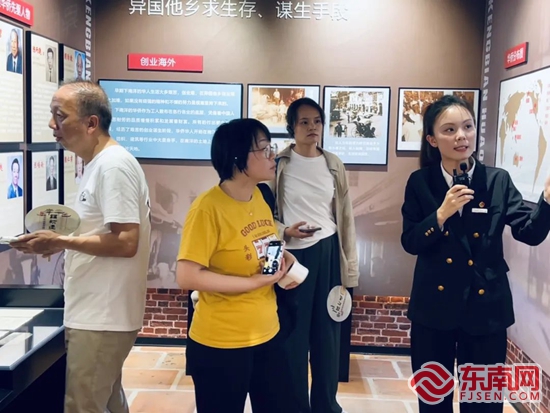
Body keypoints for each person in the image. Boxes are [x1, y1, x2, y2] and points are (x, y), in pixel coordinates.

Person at [401, 94, 550, 413]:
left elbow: (529, 232)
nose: (461, 136)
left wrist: (547, 201)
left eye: (467, 127)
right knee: (433, 401)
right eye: (449, 130)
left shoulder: (497, 180)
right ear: (432, 139)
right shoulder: (420, 182)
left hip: (485, 309)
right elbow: (411, 241)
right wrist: (440, 214)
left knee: (483, 402)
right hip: (433, 308)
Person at [10, 80, 151, 413]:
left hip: (102, 314)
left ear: (91, 123)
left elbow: (126, 241)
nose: (52, 125)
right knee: (107, 403)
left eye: (60, 116)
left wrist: (60, 241)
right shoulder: (99, 164)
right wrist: (60, 242)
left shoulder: (113, 166)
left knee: (84, 406)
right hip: (98, 311)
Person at [176, 118, 300, 413]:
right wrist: (253, 282)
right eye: (264, 149)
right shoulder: (207, 208)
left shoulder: (259, 197)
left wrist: (284, 260)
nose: (273, 156)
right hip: (221, 343)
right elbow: (187, 276)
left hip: (268, 332)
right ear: (237, 157)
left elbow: (265, 244)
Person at [271, 97, 359, 413]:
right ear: (291, 128)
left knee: (327, 336)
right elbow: (266, 215)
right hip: (292, 258)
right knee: (292, 337)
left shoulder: (333, 164)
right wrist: (285, 231)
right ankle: (294, 406)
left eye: (317, 121)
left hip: (328, 253)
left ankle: (326, 405)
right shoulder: (279, 164)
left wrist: (350, 269)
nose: (312, 127)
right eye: (304, 122)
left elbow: (345, 218)